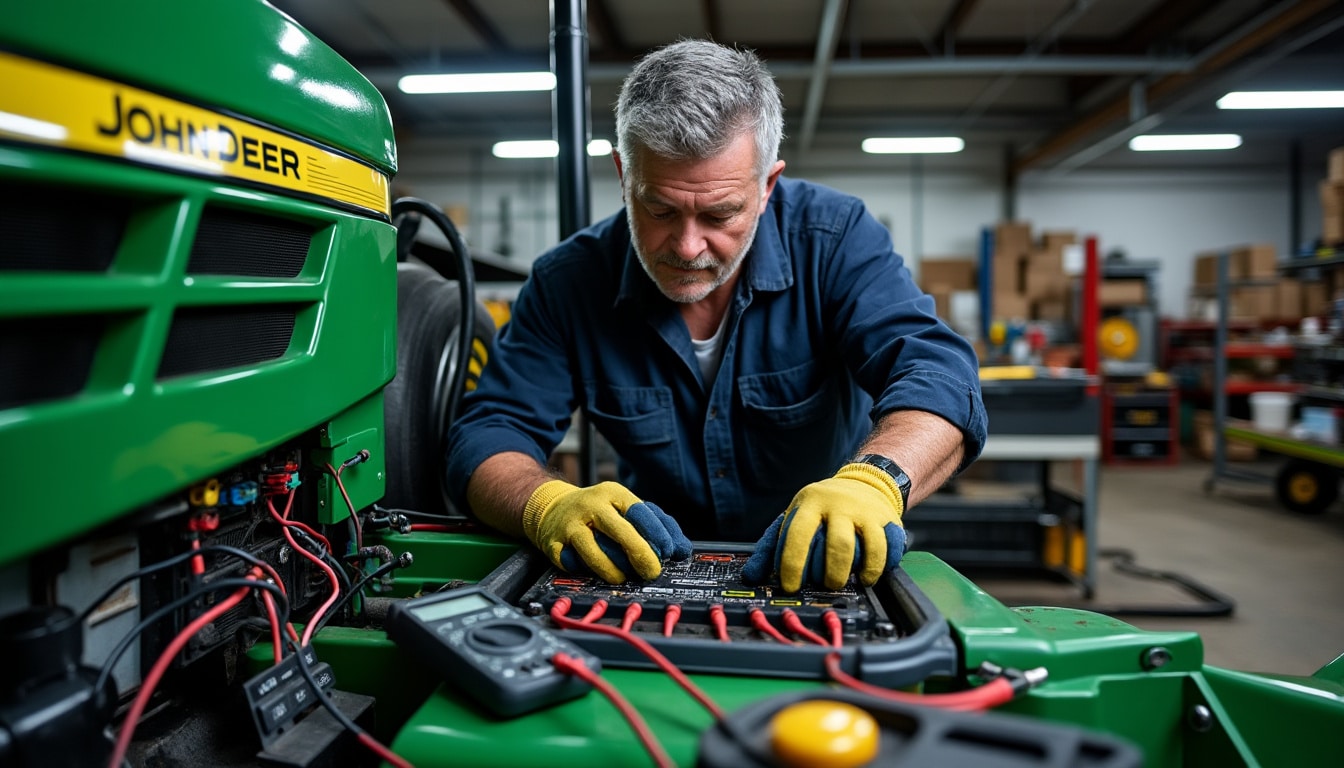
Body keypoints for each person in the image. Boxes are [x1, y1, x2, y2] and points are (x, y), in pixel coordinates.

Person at [446, 39, 986, 593]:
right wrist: (546, 502)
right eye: (659, 209)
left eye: (720, 213)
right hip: (647, 574)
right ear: (622, 173)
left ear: (767, 185)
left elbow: (938, 376)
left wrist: (874, 484)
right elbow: (489, 433)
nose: (686, 246)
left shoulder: (835, 239)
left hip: (826, 570)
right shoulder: (569, 282)